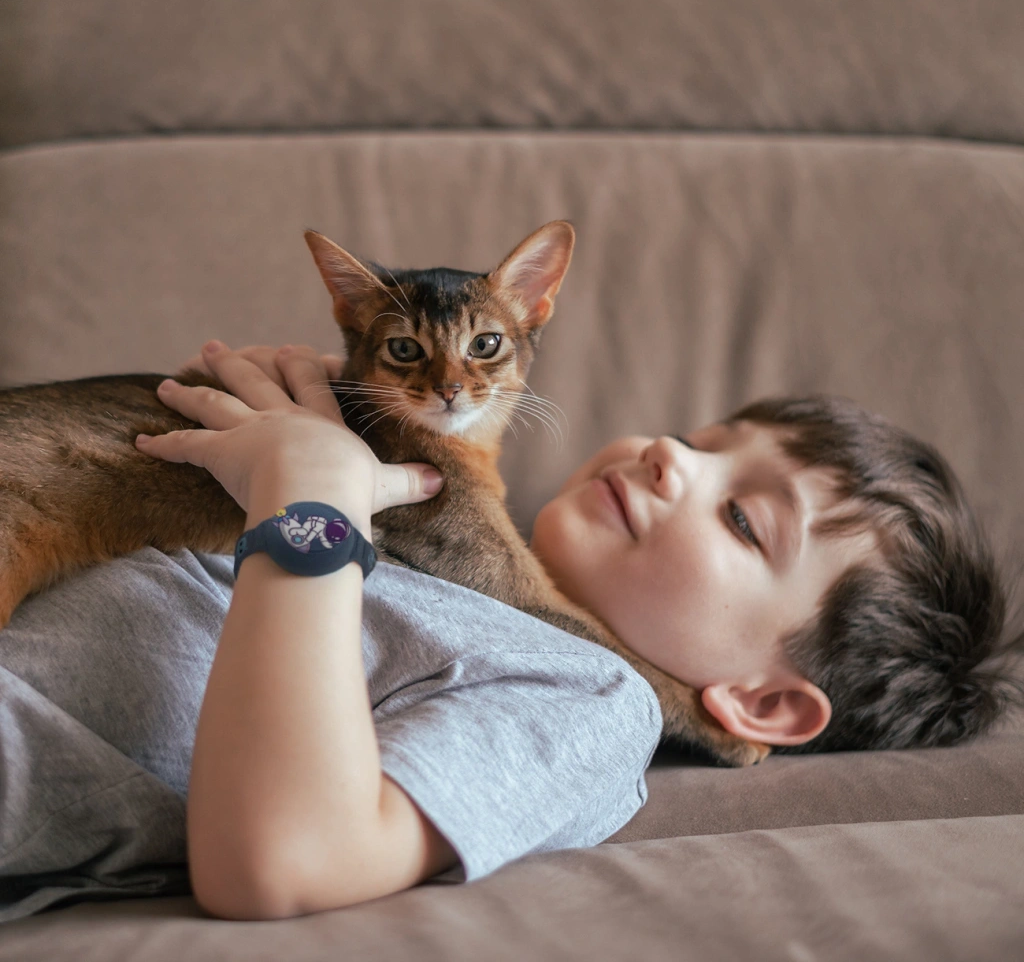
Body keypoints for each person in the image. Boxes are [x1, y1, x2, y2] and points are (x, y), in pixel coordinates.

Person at [0, 341, 1012, 923]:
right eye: (698, 441)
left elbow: (283, 859)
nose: (668, 456)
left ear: (763, 702)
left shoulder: (587, 698)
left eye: (743, 519)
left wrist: (311, 502)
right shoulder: (434, 537)